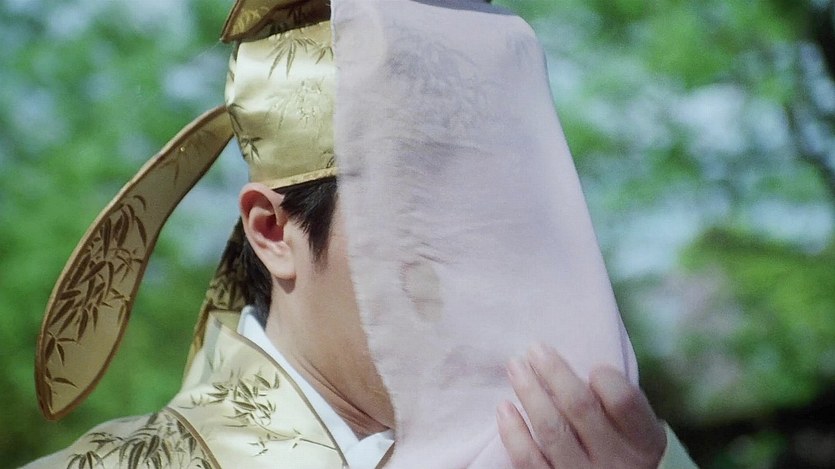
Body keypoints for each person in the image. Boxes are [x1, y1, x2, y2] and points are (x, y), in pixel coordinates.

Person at [25, 1, 697, 468]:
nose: (487, 273)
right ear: (274, 230)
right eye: (429, 223)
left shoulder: (623, 453)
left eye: (512, 225)